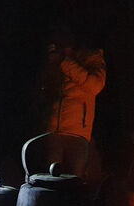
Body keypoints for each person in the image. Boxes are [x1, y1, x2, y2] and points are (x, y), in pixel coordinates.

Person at [40, 29, 106, 179]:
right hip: (53, 132)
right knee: (49, 182)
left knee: (74, 182)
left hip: (77, 134)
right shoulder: (55, 60)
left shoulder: (91, 57)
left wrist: (64, 62)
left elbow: (95, 85)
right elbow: (46, 92)